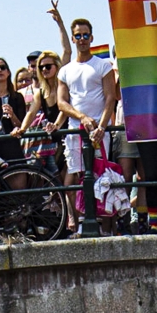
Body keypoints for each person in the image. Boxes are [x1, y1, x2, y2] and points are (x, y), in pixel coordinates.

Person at [56, 18, 118, 190]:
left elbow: (110, 98)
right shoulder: (65, 70)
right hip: (75, 131)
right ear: (73, 38)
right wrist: (82, 117)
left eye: (85, 35)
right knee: (74, 181)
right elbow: (61, 103)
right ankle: (76, 218)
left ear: (91, 38)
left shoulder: (103, 65)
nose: (82, 39)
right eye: (78, 35)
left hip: (99, 131)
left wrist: (102, 128)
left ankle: (99, 216)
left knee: (100, 178)